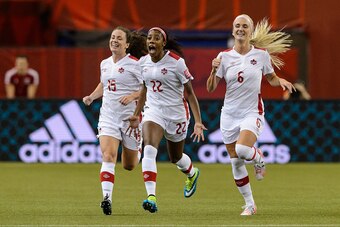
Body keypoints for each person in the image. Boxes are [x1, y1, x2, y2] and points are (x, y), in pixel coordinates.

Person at [206, 15, 296, 216]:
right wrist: (213, 71)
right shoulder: (224, 56)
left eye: (244, 26)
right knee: (236, 162)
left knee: (243, 150)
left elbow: (271, 78)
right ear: (232, 31)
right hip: (229, 114)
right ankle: (250, 205)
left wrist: (280, 81)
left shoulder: (262, 55)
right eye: (237, 26)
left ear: (250, 30)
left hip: (251, 111)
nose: (240, 29)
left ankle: (259, 158)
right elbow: (211, 88)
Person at [126, 27, 206, 213]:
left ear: (164, 43)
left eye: (156, 38)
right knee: (149, 150)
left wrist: (198, 121)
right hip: (154, 111)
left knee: (176, 158)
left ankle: (192, 173)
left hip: (177, 114)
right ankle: (151, 197)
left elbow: (190, 93)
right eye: (149, 38)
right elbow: (145, 88)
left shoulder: (177, 63)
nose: (151, 41)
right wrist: (137, 114)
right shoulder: (143, 63)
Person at [82, 26, 147, 215]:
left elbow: (148, 87)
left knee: (129, 165)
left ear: (127, 44)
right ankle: (107, 198)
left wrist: (133, 96)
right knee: (108, 156)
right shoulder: (104, 63)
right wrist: (92, 97)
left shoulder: (136, 64)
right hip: (109, 116)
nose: (114, 40)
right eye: (112, 37)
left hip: (130, 119)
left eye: (119, 38)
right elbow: (104, 84)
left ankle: (138, 148)